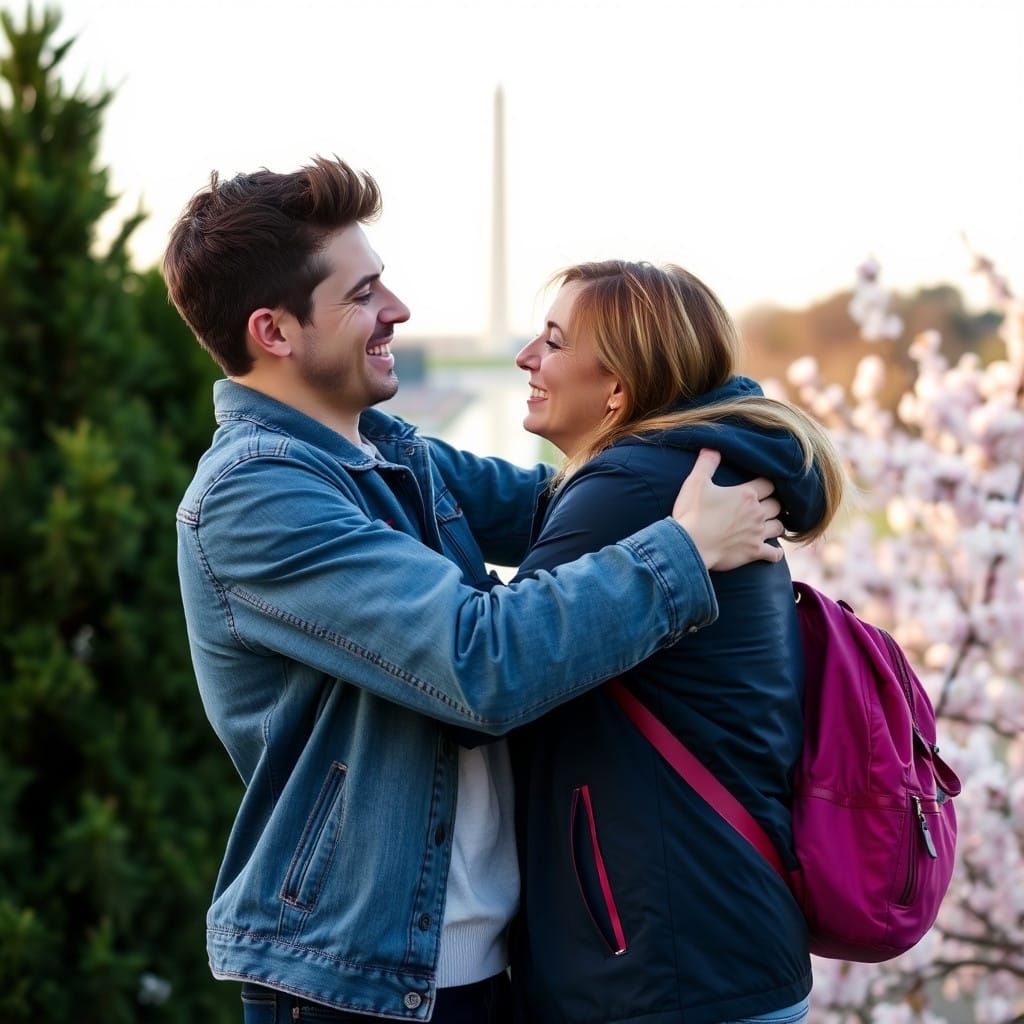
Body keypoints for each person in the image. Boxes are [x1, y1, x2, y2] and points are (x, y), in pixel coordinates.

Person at [163, 158, 786, 1024]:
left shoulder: (392, 451)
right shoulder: (254, 495)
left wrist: (714, 431)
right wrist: (682, 550)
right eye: (364, 293)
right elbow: (477, 663)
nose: (399, 310)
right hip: (362, 980)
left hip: (489, 962)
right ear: (275, 331)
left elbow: (572, 511)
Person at [508, 261, 847, 1024]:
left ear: (618, 388)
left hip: (665, 971)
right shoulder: (683, 473)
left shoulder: (631, 488)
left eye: (554, 342)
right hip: (714, 948)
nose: (527, 356)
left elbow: (497, 665)